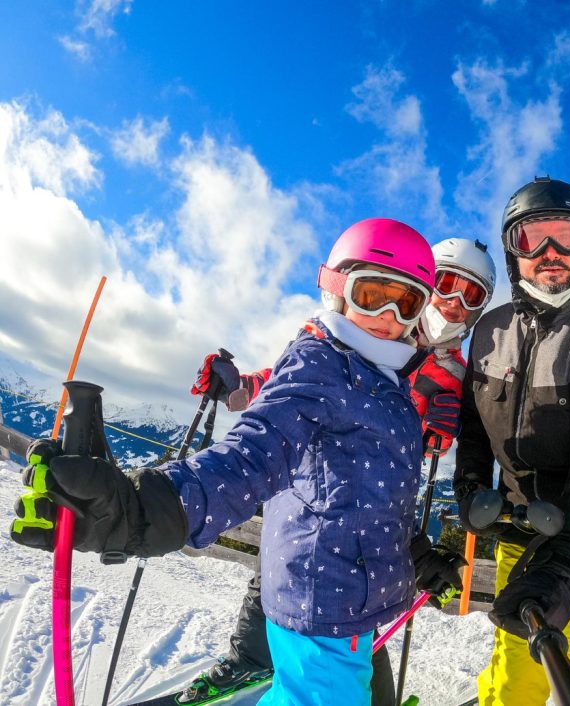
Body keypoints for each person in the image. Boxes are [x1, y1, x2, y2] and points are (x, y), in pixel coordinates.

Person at [10, 218, 461, 706]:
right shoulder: (322, 365)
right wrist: (143, 510)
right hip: (326, 595)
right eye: (372, 294)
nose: (389, 315)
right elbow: (250, 455)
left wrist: (418, 556)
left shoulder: (391, 380)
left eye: (408, 301)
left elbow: (373, 494)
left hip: (356, 597)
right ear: (336, 288)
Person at [180, 237, 497, 705]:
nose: (452, 304)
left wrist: (433, 433)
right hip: (313, 485)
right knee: (284, 564)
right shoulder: (360, 327)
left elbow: (441, 440)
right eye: (446, 284)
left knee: (354, 605)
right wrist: (240, 385)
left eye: (470, 295)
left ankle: (361, 688)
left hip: (372, 506)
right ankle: (250, 660)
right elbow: (295, 390)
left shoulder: (454, 372)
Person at [454, 177, 570, 705]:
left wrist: (567, 565)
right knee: (518, 671)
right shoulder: (490, 331)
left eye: (565, 237)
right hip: (520, 536)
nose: (550, 254)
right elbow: (472, 426)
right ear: (514, 253)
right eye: (532, 240)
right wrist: (469, 489)